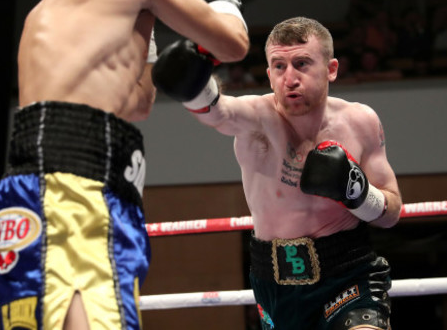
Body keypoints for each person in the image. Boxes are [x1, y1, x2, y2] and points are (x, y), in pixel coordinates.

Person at [0, 0, 249, 330]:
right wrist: (224, 6)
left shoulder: (54, 11)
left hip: (40, 187)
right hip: (77, 188)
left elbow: (137, 104)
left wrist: (147, 26)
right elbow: (233, 44)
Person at [152, 17, 402, 329]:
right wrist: (194, 84)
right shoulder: (259, 120)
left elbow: (391, 214)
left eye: (302, 63)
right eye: (279, 67)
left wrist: (358, 194)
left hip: (349, 273)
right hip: (275, 282)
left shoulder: (360, 122)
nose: (290, 78)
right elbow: (222, 112)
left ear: (331, 69)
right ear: (269, 75)